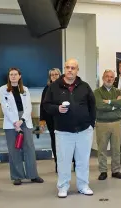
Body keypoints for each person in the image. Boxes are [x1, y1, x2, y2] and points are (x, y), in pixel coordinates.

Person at [43, 58, 96, 198]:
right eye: (67, 67)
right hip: (63, 131)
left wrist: (91, 125)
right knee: (63, 161)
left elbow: (92, 106)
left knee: (83, 161)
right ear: (64, 69)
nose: (70, 70)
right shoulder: (54, 87)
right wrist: (57, 109)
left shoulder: (85, 86)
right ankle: (63, 186)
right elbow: (46, 105)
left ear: (77, 70)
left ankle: (83, 185)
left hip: (84, 131)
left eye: (73, 68)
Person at [0, 68, 44, 185]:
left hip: (25, 120)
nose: (13, 76)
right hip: (11, 123)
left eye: (15, 74)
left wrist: (21, 120)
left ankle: (33, 175)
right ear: (8, 77)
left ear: (20, 76)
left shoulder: (25, 90)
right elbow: (5, 107)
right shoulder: (3, 89)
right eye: (11, 74)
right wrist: (15, 122)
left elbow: (28, 107)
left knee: (29, 148)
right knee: (14, 150)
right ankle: (17, 176)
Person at [94, 69, 121, 180]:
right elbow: (99, 106)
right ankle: (103, 171)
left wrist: (109, 102)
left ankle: (116, 170)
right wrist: (114, 105)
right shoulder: (97, 92)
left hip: (116, 123)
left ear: (114, 79)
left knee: (116, 148)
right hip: (102, 123)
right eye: (107, 76)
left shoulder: (118, 91)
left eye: (111, 77)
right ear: (103, 78)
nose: (109, 79)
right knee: (102, 149)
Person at [39, 68, 61, 172]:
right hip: (51, 119)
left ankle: (73, 162)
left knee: (68, 141)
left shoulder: (65, 87)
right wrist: (42, 120)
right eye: (52, 75)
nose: (54, 76)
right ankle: (58, 163)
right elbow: (42, 106)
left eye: (56, 74)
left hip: (64, 119)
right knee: (55, 141)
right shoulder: (46, 89)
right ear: (50, 77)